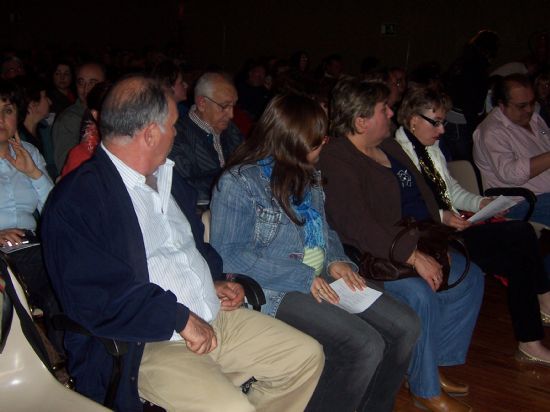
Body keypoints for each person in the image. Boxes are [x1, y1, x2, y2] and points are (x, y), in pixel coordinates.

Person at [41, 75, 324, 412]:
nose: (177, 133)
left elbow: (193, 250)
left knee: (305, 357)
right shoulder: (79, 200)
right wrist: (179, 318)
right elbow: (95, 296)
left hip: (213, 317)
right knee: (233, 409)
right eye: (173, 125)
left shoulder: (170, 181)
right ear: (150, 134)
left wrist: (217, 279)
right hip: (147, 342)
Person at [210, 93, 419, 412]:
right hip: (272, 287)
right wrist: (303, 276)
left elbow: (325, 231)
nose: (326, 145)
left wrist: (336, 259)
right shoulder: (240, 182)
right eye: (319, 140)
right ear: (291, 144)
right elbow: (228, 256)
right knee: (362, 345)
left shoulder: (307, 174)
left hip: (317, 275)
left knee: (405, 324)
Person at [319, 78, 484, 412]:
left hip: (411, 241)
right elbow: (357, 225)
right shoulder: (338, 157)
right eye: (385, 109)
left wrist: (440, 220)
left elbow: (421, 195)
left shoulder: (390, 147)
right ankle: (424, 390)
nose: (392, 113)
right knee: (421, 294)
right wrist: (414, 257)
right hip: (370, 255)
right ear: (361, 120)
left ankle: (428, 365)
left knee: (470, 277)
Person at [394, 85, 550, 366]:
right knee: (520, 237)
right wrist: (444, 216)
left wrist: (480, 204)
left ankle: (531, 338)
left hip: (450, 229)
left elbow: (451, 190)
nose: (442, 130)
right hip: (430, 237)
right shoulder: (397, 155)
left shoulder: (429, 147)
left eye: (443, 121)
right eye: (436, 122)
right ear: (412, 119)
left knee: (519, 252)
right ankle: (541, 311)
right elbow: (405, 207)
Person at [0, 78, 56, 322]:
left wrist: (34, 173)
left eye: (7, 110)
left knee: (66, 273)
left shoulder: (29, 152)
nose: (0, 119)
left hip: (30, 246)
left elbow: (56, 212)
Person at [473, 73, 550, 226]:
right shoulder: (491, 132)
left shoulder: (534, 119)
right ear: (502, 105)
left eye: (532, 102)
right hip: (522, 203)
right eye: (522, 106)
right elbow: (510, 174)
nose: (529, 109)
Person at [168, 72, 243, 203]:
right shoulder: (177, 136)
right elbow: (184, 186)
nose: (231, 115)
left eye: (233, 106)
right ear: (202, 103)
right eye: (224, 106)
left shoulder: (232, 130)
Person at [52, 62, 106, 172]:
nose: (86, 89)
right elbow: (66, 166)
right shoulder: (69, 119)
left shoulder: (112, 113)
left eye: (92, 83)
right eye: (81, 83)